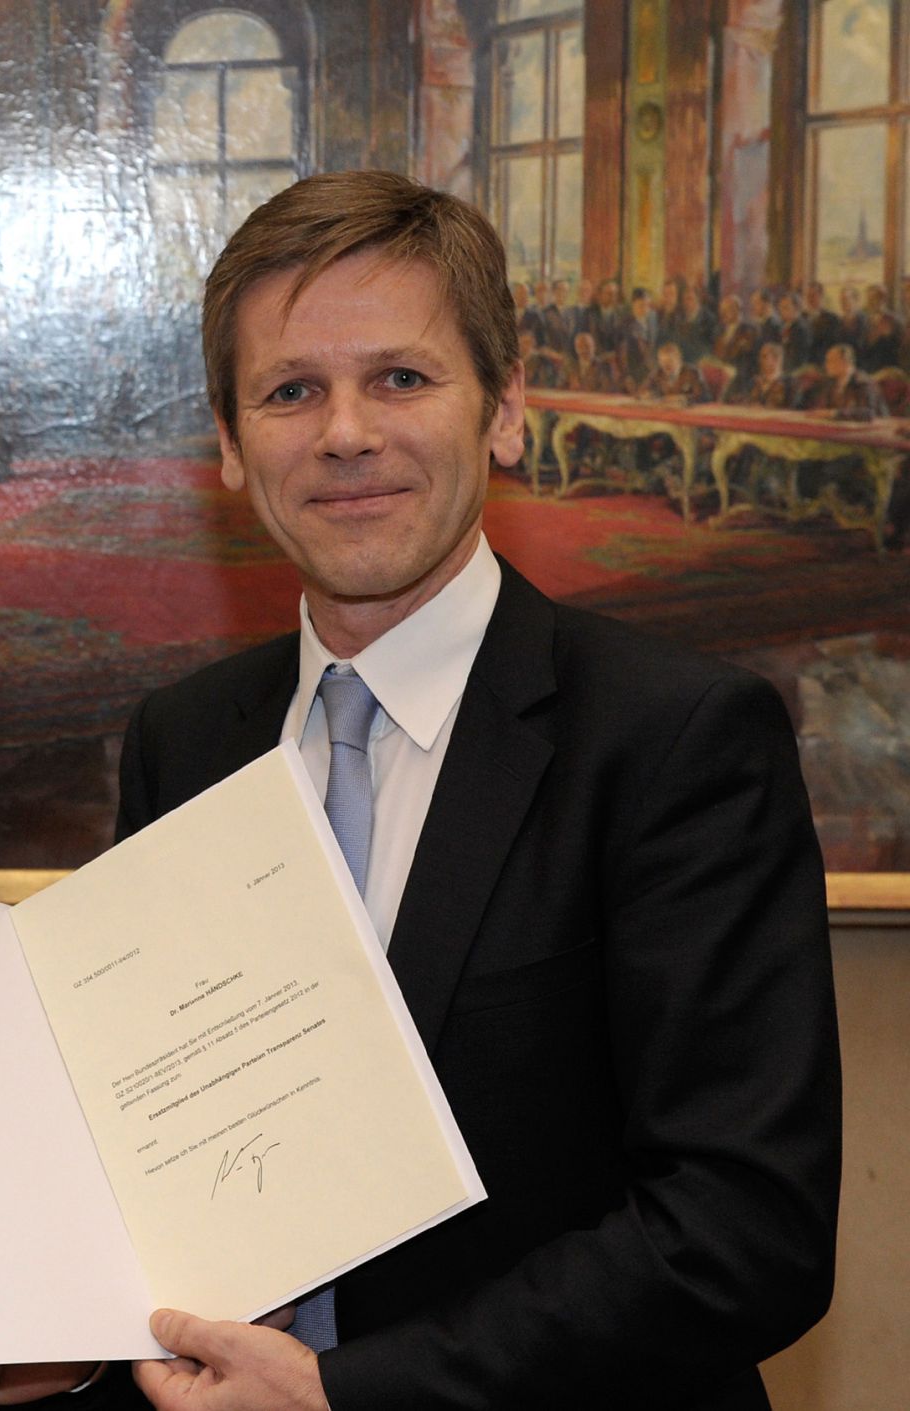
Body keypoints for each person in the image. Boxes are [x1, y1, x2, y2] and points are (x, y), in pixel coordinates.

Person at [105, 172, 837, 1410]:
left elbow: (741, 1231)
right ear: (228, 446)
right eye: (290, 391)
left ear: (501, 409)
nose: (344, 431)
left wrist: (352, 1395)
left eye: (399, 377)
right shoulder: (182, 742)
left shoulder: (673, 741)